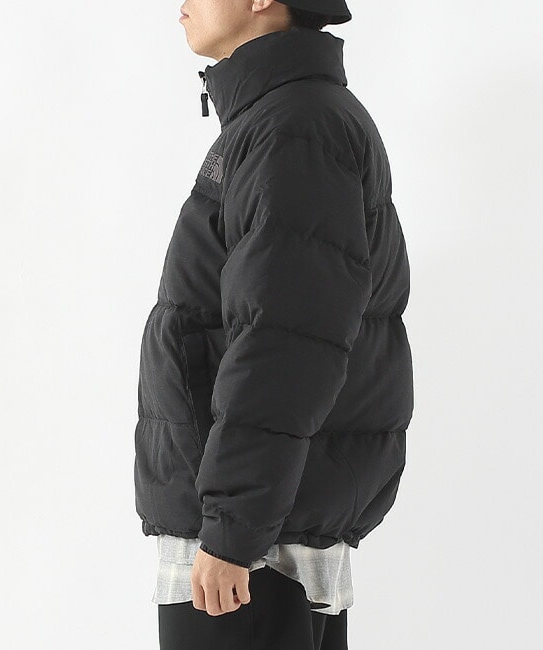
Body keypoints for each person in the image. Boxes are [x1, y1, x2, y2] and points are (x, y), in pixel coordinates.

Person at [133, 1, 414, 648]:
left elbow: (285, 343)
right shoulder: (281, 120)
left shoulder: (295, 128)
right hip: (258, 530)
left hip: (255, 550)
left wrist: (233, 528)